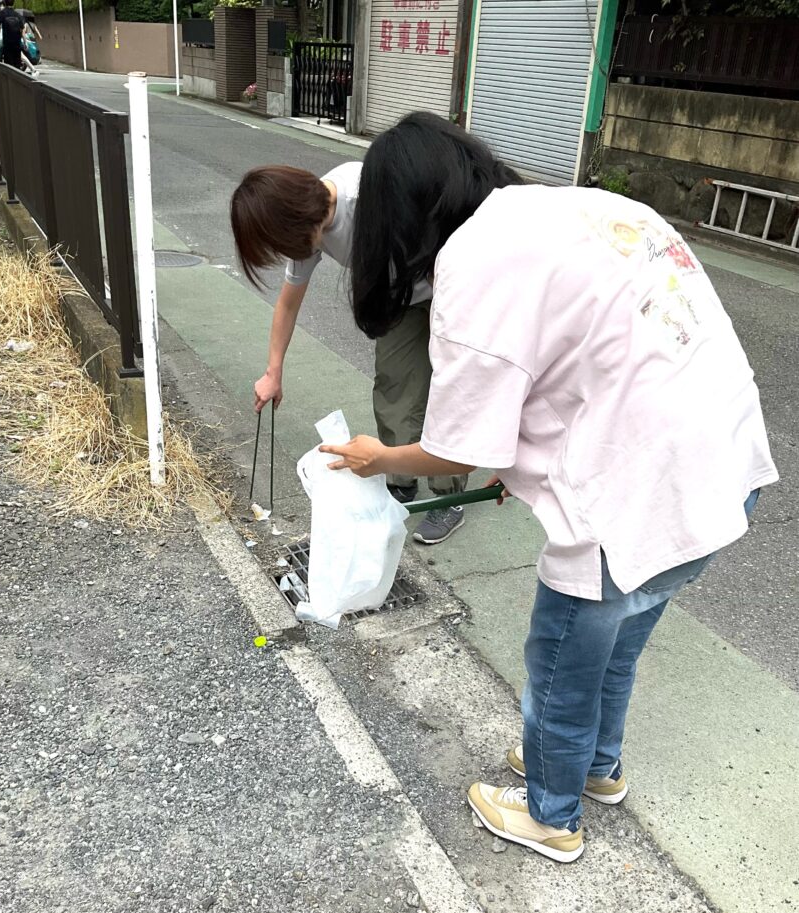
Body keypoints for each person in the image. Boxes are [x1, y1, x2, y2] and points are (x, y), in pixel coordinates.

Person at [322, 112, 778, 863]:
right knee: (615, 647)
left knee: (561, 658)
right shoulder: (577, 205)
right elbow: (587, 358)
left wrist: (380, 457)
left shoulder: (472, 262)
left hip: (639, 492)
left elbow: (460, 447)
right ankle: (594, 767)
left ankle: (551, 814)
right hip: (725, 464)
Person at [230, 158, 517, 543]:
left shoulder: (367, 195)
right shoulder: (306, 226)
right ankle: (401, 480)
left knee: (448, 389)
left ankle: (448, 496)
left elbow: (447, 240)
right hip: (398, 299)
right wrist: (273, 371)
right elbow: (287, 303)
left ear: (296, 220)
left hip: (451, 288)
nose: (287, 253)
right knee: (394, 386)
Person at [0, 0, 25, 71]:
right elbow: (22, 28)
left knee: (8, 66)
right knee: (17, 65)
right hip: (17, 44)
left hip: (7, 43)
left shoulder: (1, 13)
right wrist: (24, 41)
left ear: (4, 3)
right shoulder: (18, 15)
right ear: (13, 3)